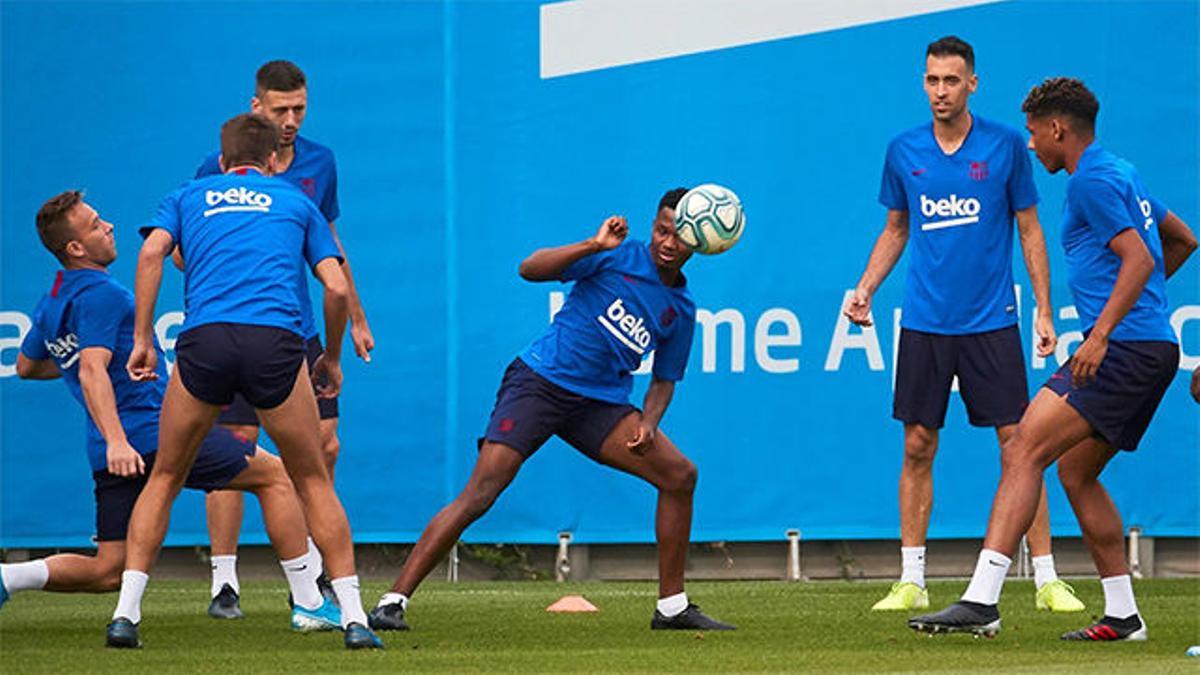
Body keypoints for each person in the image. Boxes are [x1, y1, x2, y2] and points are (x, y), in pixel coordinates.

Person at [367, 189, 734, 632]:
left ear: (701, 241)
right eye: (662, 230)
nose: (668, 242)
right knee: (482, 492)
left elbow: (664, 380)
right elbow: (530, 269)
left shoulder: (681, 308)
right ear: (652, 225)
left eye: (680, 236)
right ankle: (391, 602)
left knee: (680, 476)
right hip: (540, 383)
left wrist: (651, 423)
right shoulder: (616, 256)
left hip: (600, 405)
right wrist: (593, 245)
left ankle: (672, 608)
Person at [909, 76, 1197, 640]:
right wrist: (1143, 313)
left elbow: (1139, 258)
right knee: (1075, 472)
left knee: (1023, 448)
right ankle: (1123, 615)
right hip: (1148, 345)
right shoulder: (1120, 170)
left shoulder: (1091, 180)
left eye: (1035, 132)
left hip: (1125, 350)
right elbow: (1181, 240)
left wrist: (1104, 332)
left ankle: (981, 600)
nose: (1031, 143)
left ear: (1058, 128)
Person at [0, 191, 338, 637]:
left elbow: (27, 367)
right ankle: (311, 601)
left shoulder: (53, 300)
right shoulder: (105, 295)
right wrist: (120, 435)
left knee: (108, 570)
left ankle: (8, 578)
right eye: (96, 224)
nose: (109, 227)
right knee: (274, 475)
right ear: (75, 248)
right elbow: (90, 370)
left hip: (107, 449)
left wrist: (109, 428)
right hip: (146, 435)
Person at [106, 113, 383, 649]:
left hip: (206, 342)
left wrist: (142, 339)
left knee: (165, 476)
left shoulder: (188, 195)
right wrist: (329, 356)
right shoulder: (298, 201)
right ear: (275, 160)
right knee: (312, 479)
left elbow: (149, 253)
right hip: (276, 344)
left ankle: (125, 615)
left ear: (223, 158)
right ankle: (353, 618)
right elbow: (335, 287)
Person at [844, 36, 1083, 612]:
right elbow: (896, 228)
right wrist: (866, 287)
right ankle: (911, 580)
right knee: (919, 444)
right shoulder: (904, 150)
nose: (940, 91)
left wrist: (1044, 309)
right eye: (932, 80)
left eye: (951, 81)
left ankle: (1048, 578)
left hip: (992, 322)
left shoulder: (1005, 145)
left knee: (1021, 445)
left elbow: (1029, 230)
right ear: (922, 82)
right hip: (926, 323)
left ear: (972, 83)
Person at [191, 60, 372, 618]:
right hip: (239, 326)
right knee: (235, 447)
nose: (290, 120)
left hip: (300, 327)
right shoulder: (217, 167)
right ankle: (225, 580)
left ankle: (315, 578)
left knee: (324, 445)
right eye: (279, 110)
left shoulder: (320, 163)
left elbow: (330, 241)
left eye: (299, 108)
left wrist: (357, 315)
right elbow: (183, 245)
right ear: (256, 108)